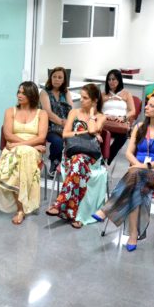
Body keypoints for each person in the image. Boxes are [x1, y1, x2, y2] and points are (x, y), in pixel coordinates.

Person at [91, 93, 154, 251]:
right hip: (138, 175)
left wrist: (144, 167)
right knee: (136, 188)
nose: (146, 107)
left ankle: (106, 210)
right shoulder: (139, 127)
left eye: (151, 105)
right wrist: (139, 167)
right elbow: (129, 153)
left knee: (135, 175)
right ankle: (133, 235)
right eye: (147, 104)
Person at [0, 82, 48, 225]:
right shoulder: (10, 111)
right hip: (17, 149)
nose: (19, 95)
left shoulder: (42, 114)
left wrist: (18, 145)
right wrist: (29, 144)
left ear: (31, 95)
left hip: (28, 151)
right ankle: (20, 210)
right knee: (20, 161)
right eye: (19, 92)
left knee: (22, 152)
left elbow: (42, 137)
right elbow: (8, 135)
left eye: (23, 93)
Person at [46, 84, 107, 228]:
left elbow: (92, 129)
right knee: (78, 162)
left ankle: (61, 204)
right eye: (81, 97)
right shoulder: (73, 112)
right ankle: (78, 216)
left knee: (79, 162)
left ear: (94, 100)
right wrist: (84, 132)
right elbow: (65, 134)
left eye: (85, 98)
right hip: (72, 152)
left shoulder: (100, 117)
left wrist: (91, 114)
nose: (81, 100)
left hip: (91, 156)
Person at [40, 67, 74, 175]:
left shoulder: (66, 92)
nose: (56, 79)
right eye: (54, 77)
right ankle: (54, 162)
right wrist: (63, 123)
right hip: (49, 127)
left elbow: (72, 111)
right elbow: (48, 113)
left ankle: (72, 165)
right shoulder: (44, 92)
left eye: (60, 77)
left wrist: (68, 123)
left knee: (76, 139)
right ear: (50, 78)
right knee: (58, 141)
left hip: (65, 126)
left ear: (64, 80)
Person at [102, 69, 137, 163]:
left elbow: (133, 111)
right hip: (105, 122)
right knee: (101, 134)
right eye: (109, 79)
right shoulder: (103, 94)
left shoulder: (126, 94)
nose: (111, 82)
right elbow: (97, 110)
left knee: (123, 135)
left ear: (119, 80)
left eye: (114, 79)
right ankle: (101, 157)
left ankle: (106, 160)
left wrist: (123, 118)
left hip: (120, 122)